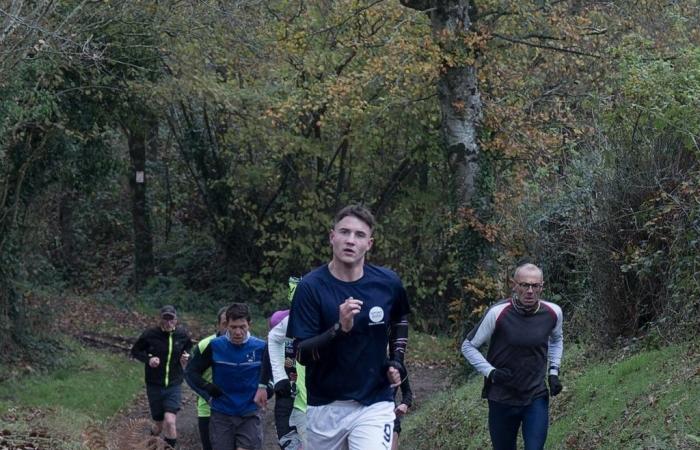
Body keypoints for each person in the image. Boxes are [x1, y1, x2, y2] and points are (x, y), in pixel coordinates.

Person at [287, 204, 410, 450]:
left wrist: (396, 360)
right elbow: (300, 353)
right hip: (324, 405)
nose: (350, 240)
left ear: (369, 244)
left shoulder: (387, 283)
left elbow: (400, 320)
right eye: (344, 232)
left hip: (374, 402)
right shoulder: (310, 288)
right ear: (332, 236)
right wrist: (339, 329)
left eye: (359, 235)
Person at [461, 263, 564, 450]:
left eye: (535, 286)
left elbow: (557, 340)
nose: (530, 291)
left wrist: (554, 372)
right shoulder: (497, 313)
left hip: (535, 395)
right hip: (502, 397)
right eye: (524, 285)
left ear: (542, 286)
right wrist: (491, 373)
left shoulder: (553, 312)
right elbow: (468, 346)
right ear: (514, 285)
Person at [186, 303, 270, 450]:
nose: (238, 332)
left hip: (249, 413)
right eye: (233, 327)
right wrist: (208, 389)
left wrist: (267, 390)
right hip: (222, 414)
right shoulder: (215, 346)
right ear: (226, 325)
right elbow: (191, 372)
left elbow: (276, 374)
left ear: (249, 324)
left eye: (242, 327)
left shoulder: (261, 347)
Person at [130, 305, 193, 449]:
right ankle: (152, 443)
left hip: (174, 384)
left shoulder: (182, 335)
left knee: (170, 421)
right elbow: (135, 351)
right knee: (158, 425)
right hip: (154, 384)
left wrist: (187, 357)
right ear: (160, 319)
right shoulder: (150, 334)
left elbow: (189, 349)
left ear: (176, 320)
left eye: (171, 319)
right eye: (165, 318)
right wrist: (149, 359)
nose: (168, 322)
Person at [190, 306, 228, 450]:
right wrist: (208, 395)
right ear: (218, 325)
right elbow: (190, 375)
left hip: (236, 409)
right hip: (208, 408)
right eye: (224, 323)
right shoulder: (206, 344)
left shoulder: (246, 345)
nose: (228, 328)